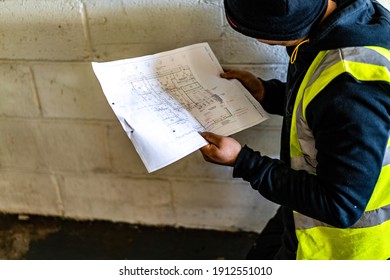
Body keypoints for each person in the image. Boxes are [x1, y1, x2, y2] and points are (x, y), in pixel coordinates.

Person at [200, 0, 390, 259]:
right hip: (305, 206)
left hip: (338, 243)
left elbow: (340, 206)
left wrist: (243, 161)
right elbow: (322, 109)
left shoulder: (350, 85)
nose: (259, 42)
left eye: (263, 37)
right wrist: (267, 92)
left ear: (284, 31)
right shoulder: (348, 19)